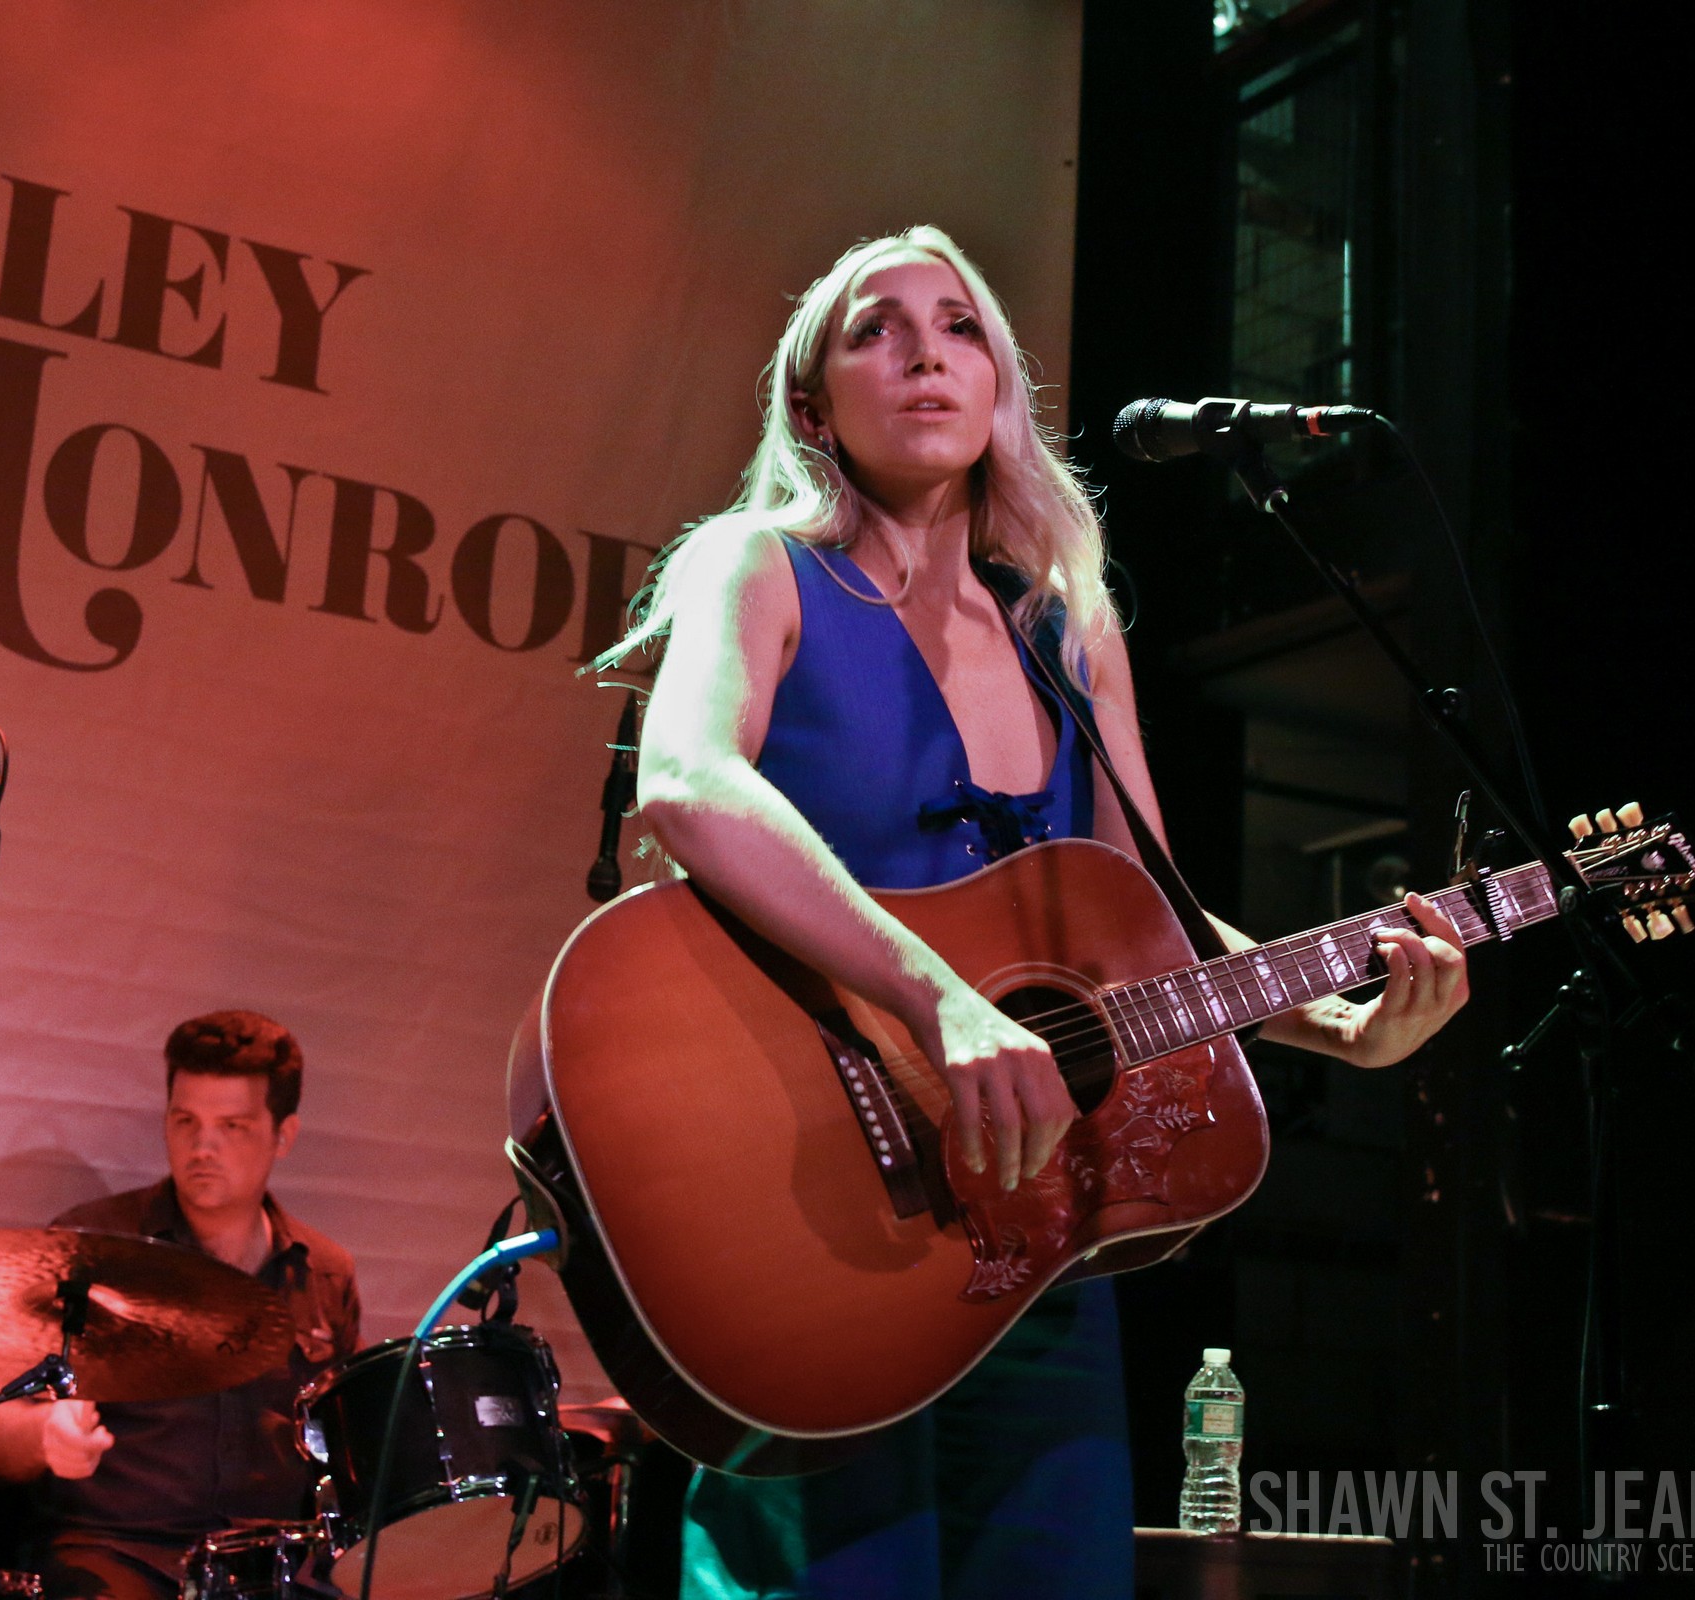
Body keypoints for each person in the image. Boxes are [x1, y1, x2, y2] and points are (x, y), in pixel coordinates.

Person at [612, 227, 1469, 1599]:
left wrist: (1346, 1028)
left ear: (1001, 387)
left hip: (1038, 1229)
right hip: (809, 1200)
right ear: (812, 406)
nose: (925, 352)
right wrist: (937, 997)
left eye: (959, 326)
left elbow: (1154, 927)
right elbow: (688, 780)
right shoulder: (756, 565)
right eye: (876, 328)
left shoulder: (1067, 627)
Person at [0, 1011, 361, 1600]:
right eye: (185, 1121)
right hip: (116, 1553)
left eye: (232, 1126)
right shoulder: (93, 1248)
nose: (202, 1147)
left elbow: (349, 1453)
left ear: (283, 1136)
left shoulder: (326, 1273)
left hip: (271, 1568)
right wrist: (45, 1433)